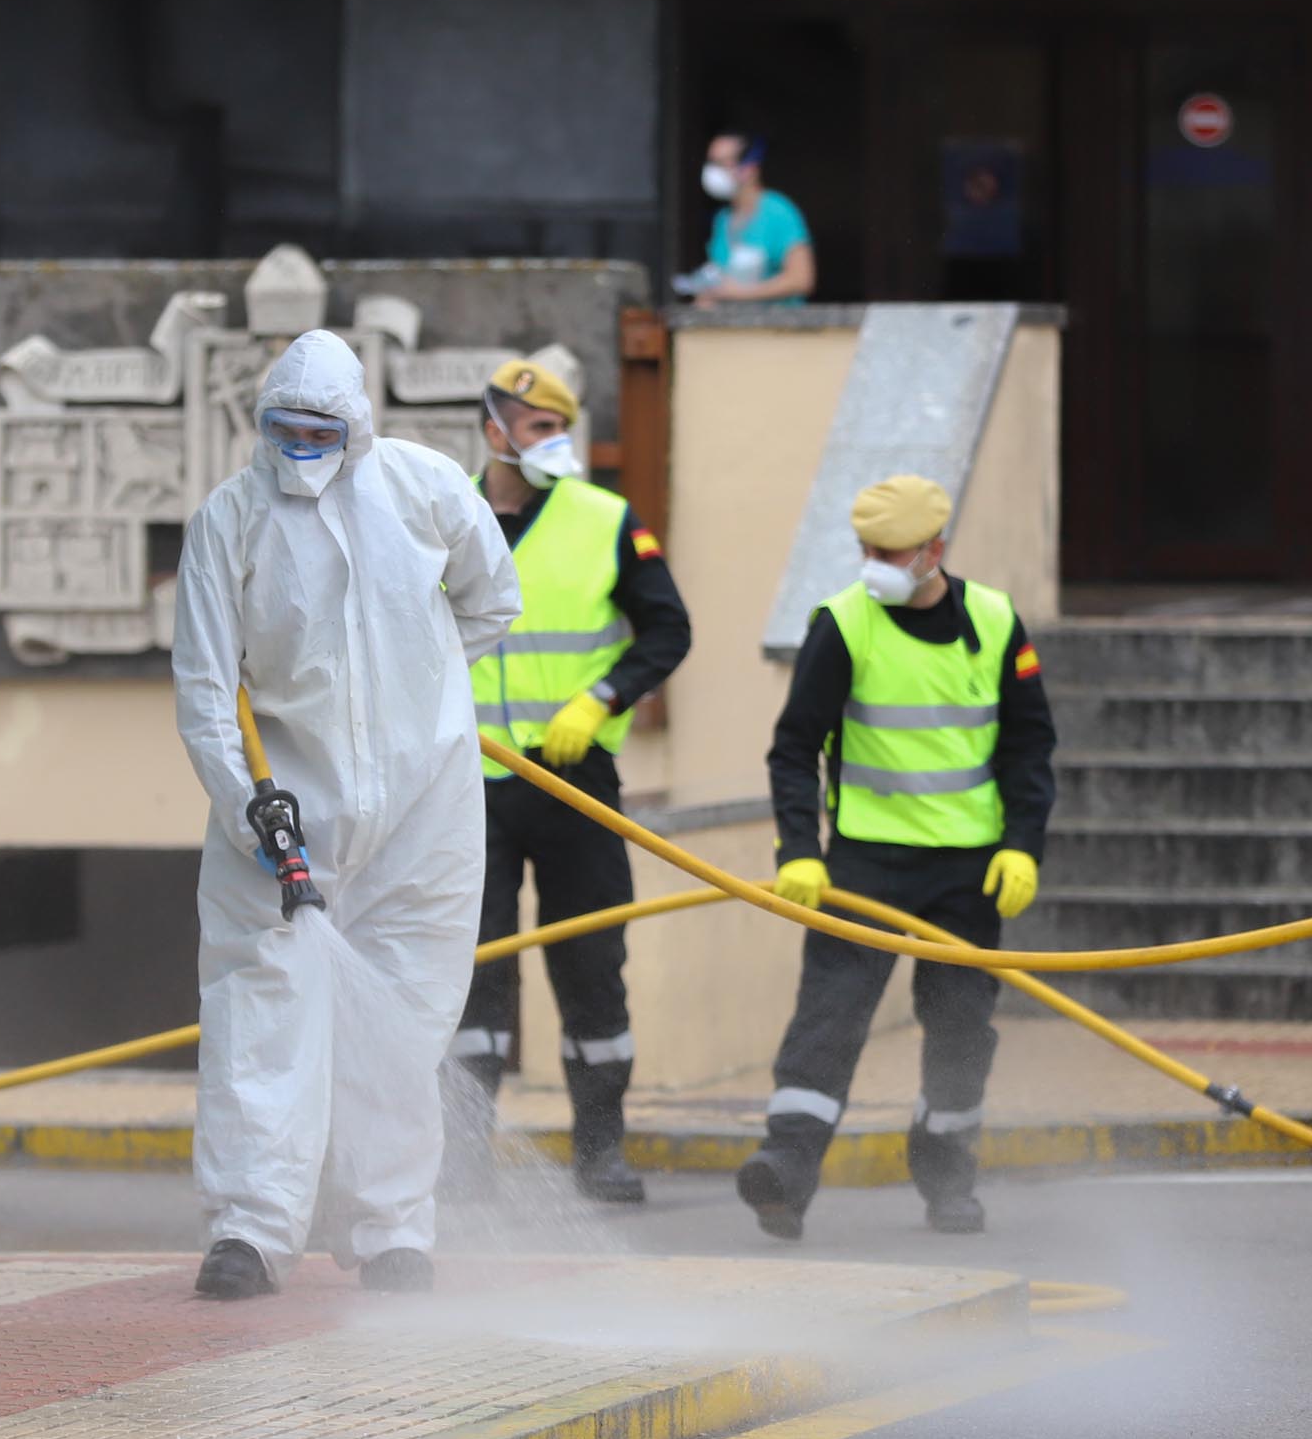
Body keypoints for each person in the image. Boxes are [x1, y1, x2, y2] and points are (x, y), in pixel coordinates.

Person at [172, 330, 522, 1300]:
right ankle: (249, 1229)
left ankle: (394, 1229)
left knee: (404, 1019)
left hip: (426, 808)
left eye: (318, 428)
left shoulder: (424, 489)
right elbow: (204, 691)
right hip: (287, 811)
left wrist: (422, 691)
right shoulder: (229, 523)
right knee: (258, 1013)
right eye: (282, 428)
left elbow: (492, 602)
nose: (300, 445)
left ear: (356, 427)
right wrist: (251, 809)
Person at [737, 475, 1055, 1240]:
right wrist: (799, 852)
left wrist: (1022, 847)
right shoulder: (844, 625)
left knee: (960, 1029)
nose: (872, 564)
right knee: (830, 1017)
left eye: (890, 552)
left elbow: (1028, 747)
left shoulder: (995, 621)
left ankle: (949, 1177)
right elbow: (792, 749)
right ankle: (786, 1169)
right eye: (865, 550)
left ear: (934, 551)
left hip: (968, 873)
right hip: (866, 865)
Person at [447, 358, 694, 1204]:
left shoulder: (606, 519)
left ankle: (600, 1150)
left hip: (574, 777)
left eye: (562, 427)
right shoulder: (441, 518)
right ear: (494, 432)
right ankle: (463, 1159)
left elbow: (669, 630)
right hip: (465, 783)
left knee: (592, 961)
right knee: (470, 970)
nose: (556, 442)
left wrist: (603, 697)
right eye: (538, 427)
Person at [690, 133, 816, 306]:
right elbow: (722, 279)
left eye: (721, 163)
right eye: (711, 163)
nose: (712, 171)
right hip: (734, 328)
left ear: (749, 167)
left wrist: (738, 294)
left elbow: (801, 280)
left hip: (778, 328)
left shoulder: (779, 212)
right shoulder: (722, 219)